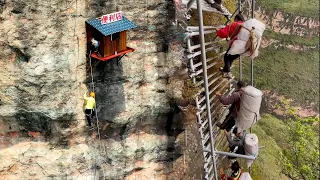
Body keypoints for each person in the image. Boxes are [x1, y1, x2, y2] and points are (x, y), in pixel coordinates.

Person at [216, 14, 245, 79]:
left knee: (227, 57)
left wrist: (218, 31)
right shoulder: (246, 26)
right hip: (244, 47)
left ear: (236, 19)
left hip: (236, 45)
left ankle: (228, 73)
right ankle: (224, 70)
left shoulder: (235, 24)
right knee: (230, 58)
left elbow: (225, 32)